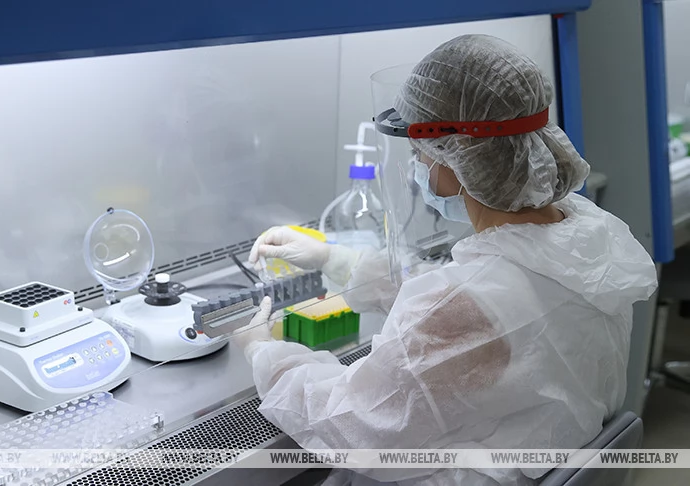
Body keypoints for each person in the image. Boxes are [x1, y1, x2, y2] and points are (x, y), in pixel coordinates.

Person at [233, 34, 658, 485]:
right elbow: (481, 303)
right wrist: (332, 258)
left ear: (460, 158)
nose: (419, 165)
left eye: (420, 152)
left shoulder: (472, 302)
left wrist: (265, 354)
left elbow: (350, 422)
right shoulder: (584, 235)